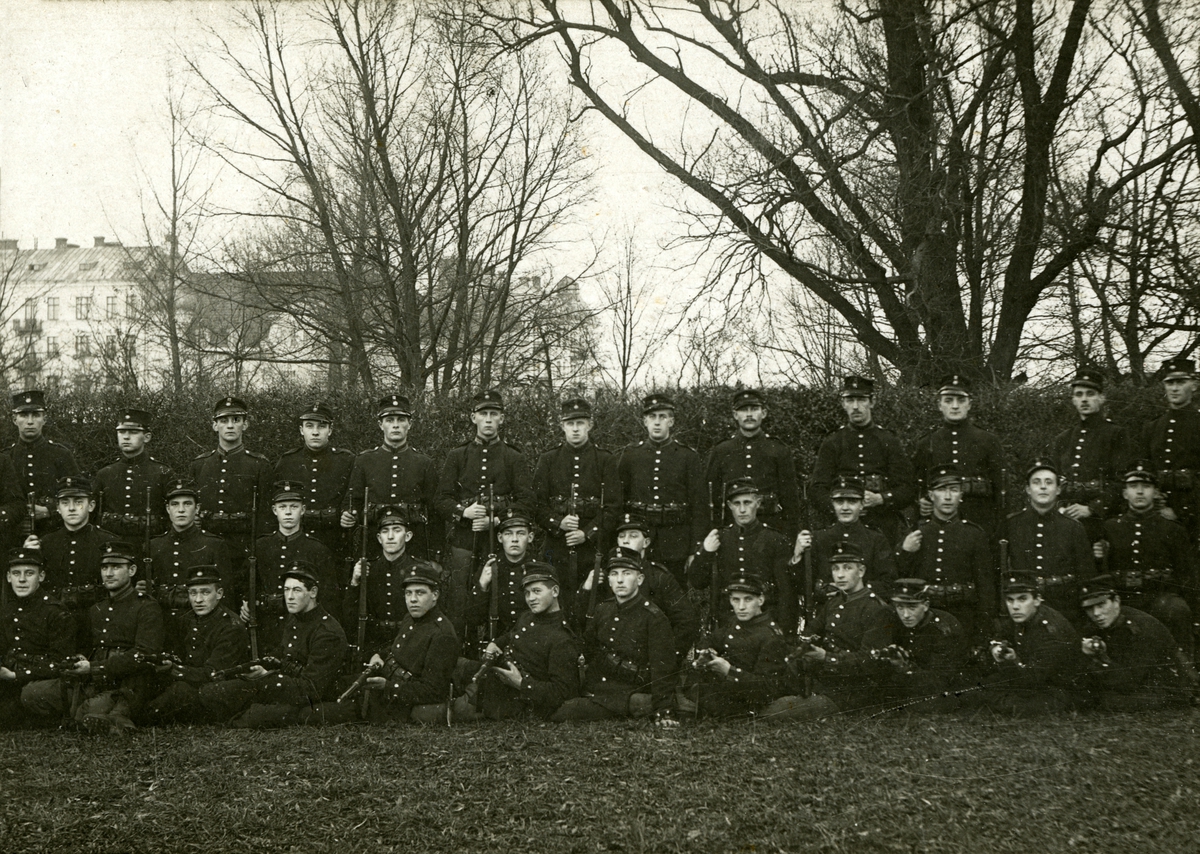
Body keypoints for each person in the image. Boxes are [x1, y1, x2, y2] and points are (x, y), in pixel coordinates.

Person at [23, 541, 165, 735]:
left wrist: (96, 667)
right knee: (32, 693)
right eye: (105, 567)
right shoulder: (96, 609)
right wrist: (82, 658)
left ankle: (101, 715)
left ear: (132, 570)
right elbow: (88, 647)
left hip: (126, 683)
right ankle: (96, 714)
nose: (108, 573)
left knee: (88, 711)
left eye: (116, 567)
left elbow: (144, 654)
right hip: (92, 681)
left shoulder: (147, 607)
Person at [200, 565, 347, 728]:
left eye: (297, 590)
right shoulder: (295, 618)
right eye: (286, 590)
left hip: (305, 699)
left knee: (254, 715)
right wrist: (262, 668)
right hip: (285, 688)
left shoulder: (327, 632)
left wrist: (267, 678)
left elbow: (312, 689)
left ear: (313, 592)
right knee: (214, 692)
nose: (289, 597)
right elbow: (283, 655)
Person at [760, 542, 894, 721]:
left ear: (861, 571)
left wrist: (826, 657)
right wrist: (805, 645)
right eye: (835, 568)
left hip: (853, 690)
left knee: (775, 712)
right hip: (825, 678)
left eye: (847, 568)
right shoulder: (834, 602)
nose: (839, 575)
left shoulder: (877, 609)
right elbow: (812, 630)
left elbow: (870, 662)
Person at [436, 390, 533, 635]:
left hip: (499, 540)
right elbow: (441, 499)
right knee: (460, 597)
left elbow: (526, 501)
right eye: (483, 414)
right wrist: (463, 512)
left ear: (502, 418)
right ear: (473, 418)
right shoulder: (457, 455)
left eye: (494, 414)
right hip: (464, 540)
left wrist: (498, 520)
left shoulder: (513, 457)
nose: (488, 419)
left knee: (502, 594)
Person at [552, 550, 677, 724]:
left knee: (570, 710)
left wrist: (664, 710)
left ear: (639, 579)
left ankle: (647, 704)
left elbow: (662, 666)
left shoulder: (654, 617)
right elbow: (588, 648)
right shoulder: (603, 609)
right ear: (609, 580)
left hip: (630, 688)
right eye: (614, 574)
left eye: (627, 574)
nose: (619, 580)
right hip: (599, 684)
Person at [453, 563, 581, 721]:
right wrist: (496, 643)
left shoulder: (562, 638)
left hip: (511, 698)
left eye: (537, 591)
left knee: (450, 709)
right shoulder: (527, 616)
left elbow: (563, 692)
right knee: (450, 663)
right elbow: (512, 635)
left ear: (555, 591)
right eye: (527, 593)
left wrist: (520, 683)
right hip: (496, 673)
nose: (531, 598)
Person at [610, 392, 707, 586]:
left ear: (671, 421)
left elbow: (699, 505)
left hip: (676, 540)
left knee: (674, 591)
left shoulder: (688, 457)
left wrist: (694, 550)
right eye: (652, 417)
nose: (657, 422)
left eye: (662, 417)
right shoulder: (631, 455)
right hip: (639, 541)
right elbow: (618, 500)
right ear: (644, 421)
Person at [1099, 463, 1195, 658]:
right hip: (1124, 598)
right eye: (1134, 486)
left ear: (1156, 492)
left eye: (1146, 486)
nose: (1140, 492)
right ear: (1125, 493)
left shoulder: (1173, 530)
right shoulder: (1110, 527)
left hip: (1160, 598)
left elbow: (1187, 575)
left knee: (1177, 611)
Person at [532, 397, 613, 623]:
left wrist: (586, 533)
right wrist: (557, 522)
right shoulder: (548, 460)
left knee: (595, 605)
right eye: (570, 423)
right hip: (556, 548)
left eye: (580, 422)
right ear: (562, 425)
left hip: (592, 549)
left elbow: (613, 508)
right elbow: (536, 505)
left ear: (590, 424)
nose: (575, 428)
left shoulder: (605, 460)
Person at [809, 375, 916, 546]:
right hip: (842, 527)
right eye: (850, 400)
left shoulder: (888, 440)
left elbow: (908, 488)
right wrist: (842, 508)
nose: (856, 406)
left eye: (861, 400)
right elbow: (817, 490)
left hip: (882, 524)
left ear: (872, 402)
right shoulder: (833, 442)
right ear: (843, 404)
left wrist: (881, 498)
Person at [580, 516, 699, 662]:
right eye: (621, 536)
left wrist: (665, 656)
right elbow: (586, 618)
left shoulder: (659, 577)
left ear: (646, 542)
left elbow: (686, 622)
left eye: (633, 536)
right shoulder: (606, 576)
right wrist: (586, 589)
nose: (626, 540)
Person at [896, 465, 994, 642]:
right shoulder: (917, 531)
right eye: (941, 490)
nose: (948, 497)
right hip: (925, 616)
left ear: (961, 495)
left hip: (963, 614)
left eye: (954, 490)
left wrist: (983, 631)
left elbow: (985, 587)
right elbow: (899, 575)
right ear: (931, 495)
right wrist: (905, 552)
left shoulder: (974, 534)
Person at [143, 564, 250, 724]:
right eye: (193, 593)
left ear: (219, 593)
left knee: (180, 692)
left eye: (205, 592)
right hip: (191, 682)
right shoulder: (187, 619)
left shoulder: (231, 627)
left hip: (216, 691)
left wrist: (174, 669)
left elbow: (213, 674)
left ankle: (138, 717)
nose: (198, 600)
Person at [689, 478, 795, 634]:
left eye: (747, 503)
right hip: (727, 621)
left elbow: (786, 592)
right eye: (737, 504)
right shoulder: (720, 538)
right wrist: (706, 552)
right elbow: (698, 582)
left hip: (764, 621)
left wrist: (784, 631)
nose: (742, 510)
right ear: (730, 506)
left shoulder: (774, 540)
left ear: (758, 503)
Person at [357, 564, 460, 725]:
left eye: (420, 593)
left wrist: (388, 686)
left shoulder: (442, 635)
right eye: (408, 593)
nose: (412, 599)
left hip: (398, 701)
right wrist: (380, 655)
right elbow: (398, 649)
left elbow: (433, 690)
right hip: (387, 686)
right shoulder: (411, 618)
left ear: (435, 595)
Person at [341, 394, 439, 561]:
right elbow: (352, 500)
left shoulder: (424, 463)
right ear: (381, 424)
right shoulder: (364, 461)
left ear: (410, 424)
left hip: (414, 544)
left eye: (401, 420)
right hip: (372, 542)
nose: (395, 425)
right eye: (389, 420)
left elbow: (435, 513)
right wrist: (346, 514)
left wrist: (435, 557)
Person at [244, 482, 342, 647]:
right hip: (265, 624)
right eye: (282, 507)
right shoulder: (260, 546)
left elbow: (329, 595)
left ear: (302, 510)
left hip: (303, 626)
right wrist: (246, 602)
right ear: (275, 511)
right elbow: (246, 582)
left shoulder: (316, 548)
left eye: (294, 507)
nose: (288, 512)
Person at [996, 460, 1094, 625]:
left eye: (1049, 482)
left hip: (1064, 607)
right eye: (1036, 482)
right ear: (1028, 489)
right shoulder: (1011, 524)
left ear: (1058, 489)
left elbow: (1086, 574)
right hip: (1023, 607)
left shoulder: (1073, 527)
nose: (1043, 487)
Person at [972, 570, 1083, 716]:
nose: (1015, 606)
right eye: (1010, 600)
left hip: (1058, 689)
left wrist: (1012, 661)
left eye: (1022, 599)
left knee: (992, 697)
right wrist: (996, 647)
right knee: (981, 688)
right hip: (1032, 682)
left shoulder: (1050, 629)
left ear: (1037, 600)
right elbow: (1000, 634)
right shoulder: (1023, 616)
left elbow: (1035, 678)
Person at [1077, 574, 1192, 711]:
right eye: (1090, 608)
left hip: (1165, 687)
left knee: (1100, 701)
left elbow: (1128, 682)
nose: (1096, 613)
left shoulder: (1139, 628)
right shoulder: (1101, 624)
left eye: (1101, 605)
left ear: (1116, 601)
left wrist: (1096, 660)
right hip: (1136, 682)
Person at [188, 395, 272, 580]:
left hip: (244, 550)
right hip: (206, 549)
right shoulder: (200, 465)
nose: (230, 425)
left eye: (236, 420)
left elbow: (265, 517)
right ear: (214, 426)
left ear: (245, 424)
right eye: (224, 421)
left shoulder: (259, 465)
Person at [683, 573, 789, 718]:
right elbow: (712, 639)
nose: (741, 607)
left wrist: (729, 671)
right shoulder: (735, 621)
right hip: (729, 690)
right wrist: (706, 652)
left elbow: (768, 688)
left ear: (761, 600)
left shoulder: (770, 635)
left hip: (748, 698)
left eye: (748, 600)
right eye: (735, 600)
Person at [910, 375, 1005, 535]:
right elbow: (914, 485)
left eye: (961, 400)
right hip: (938, 523)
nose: (955, 406)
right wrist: (919, 503)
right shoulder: (927, 443)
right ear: (939, 405)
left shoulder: (988, 441)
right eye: (948, 400)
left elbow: (1001, 490)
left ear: (969, 404)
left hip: (980, 520)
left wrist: (1000, 529)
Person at [32, 475, 116, 648]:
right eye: (65, 503)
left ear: (91, 506)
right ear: (58, 508)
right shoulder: (45, 543)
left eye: (78, 502)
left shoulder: (108, 542)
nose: (71, 508)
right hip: (55, 620)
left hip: (96, 622)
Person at [705, 389, 801, 539]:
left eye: (754, 409)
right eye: (743, 410)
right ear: (735, 415)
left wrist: (791, 536)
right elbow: (712, 497)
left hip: (771, 527)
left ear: (764, 413)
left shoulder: (778, 450)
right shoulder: (722, 450)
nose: (749, 415)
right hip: (732, 531)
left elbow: (790, 499)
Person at [865, 578, 971, 713]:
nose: (905, 615)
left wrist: (905, 667)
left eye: (912, 608)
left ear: (926, 605)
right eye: (900, 607)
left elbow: (941, 678)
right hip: (913, 680)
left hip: (941, 684)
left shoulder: (943, 629)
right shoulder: (892, 619)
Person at [1049, 369, 1130, 544]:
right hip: (1066, 520)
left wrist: (1092, 508)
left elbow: (1121, 482)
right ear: (1073, 400)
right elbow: (1052, 479)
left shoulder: (1115, 435)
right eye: (1078, 395)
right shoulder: (1063, 439)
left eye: (1090, 394)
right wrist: (1061, 507)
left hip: (1101, 521)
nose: (1084, 399)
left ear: (1101, 398)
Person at [148, 479, 235, 642]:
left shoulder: (214, 545)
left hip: (200, 630)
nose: (181, 510)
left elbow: (225, 597)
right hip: (160, 627)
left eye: (187, 504)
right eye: (175, 504)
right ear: (167, 509)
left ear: (197, 508)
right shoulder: (154, 545)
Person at [344, 505, 434, 657]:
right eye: (385, 531)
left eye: (397, 530)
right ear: (379, 538)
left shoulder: (421, 569)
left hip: (410, 641)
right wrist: (354, 582)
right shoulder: (369, 569)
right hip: (373, 643)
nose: (390, 537)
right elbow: (349, 616)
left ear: (408, 536)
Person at [0, 549, 74, 729]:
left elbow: (60, 663)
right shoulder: (7, 609)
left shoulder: (56, 612)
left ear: (41, 577)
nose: (22, 580)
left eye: (29, 573)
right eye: (16, 574)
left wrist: (17, 675)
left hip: (38, 681)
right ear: (9, 578)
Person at [274, 401, 355, 565]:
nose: (315, 432)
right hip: (298, 537)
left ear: (330, 430)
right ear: (301, 430)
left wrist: (349, 512)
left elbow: (353, 496)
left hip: (335, 539)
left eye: (322, 426)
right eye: (309, 426)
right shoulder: (288, 461)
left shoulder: (346, 460)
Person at [790, 476, 897, 597]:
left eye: (852, 501)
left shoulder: (876, 540)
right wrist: (797, 556)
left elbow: (888, 584)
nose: (845, 508)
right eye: (839, 502)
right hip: (827, 609)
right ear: (832, 504)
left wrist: (855, 588)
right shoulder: (819, 538)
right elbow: (801, 586)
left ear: (862, 504)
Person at [5, 389, 80, 538]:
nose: (30, 421)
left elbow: (79, 496)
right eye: (24, 415)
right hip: (13, 537)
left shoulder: (62, 455)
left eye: (36, 415)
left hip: (54, 534)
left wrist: (49, 510)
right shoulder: (6, 457)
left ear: (44, 419)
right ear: (15, 419)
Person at [93, 407, 174, 544]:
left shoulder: (162, 473)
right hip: (112, 548)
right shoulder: (105, 474)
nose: (126, 437)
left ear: (147, 437)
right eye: (121, 432)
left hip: (150, 545)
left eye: (133, 432)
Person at [1140, 357, 1200, 541]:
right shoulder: (1152, 427)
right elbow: (1144, 471)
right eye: (1170, 383)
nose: (1174, 388)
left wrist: (1181, 512)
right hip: (1155, 513)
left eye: (1181, 382)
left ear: (1194, 385)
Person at [467, 511, 541, 645]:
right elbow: (473, 618)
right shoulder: (490, 567)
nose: (514, 539)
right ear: (500, 538)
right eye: (508, 534)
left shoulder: (539, 569)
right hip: (496, 640)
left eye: (520, 533)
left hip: (531, 639)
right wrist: (482, 585)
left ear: (530, 537)